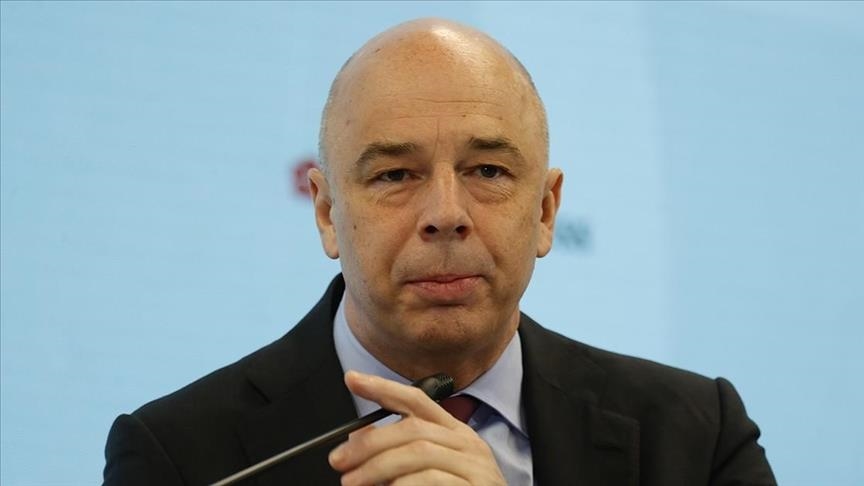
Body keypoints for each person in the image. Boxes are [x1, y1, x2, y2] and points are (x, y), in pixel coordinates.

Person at [103, 18, 776, 485]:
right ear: (328, 213)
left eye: (488, 171)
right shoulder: (179, 456)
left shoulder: (695, 438)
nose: (446, 215)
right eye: (395, 175)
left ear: (545, 211)